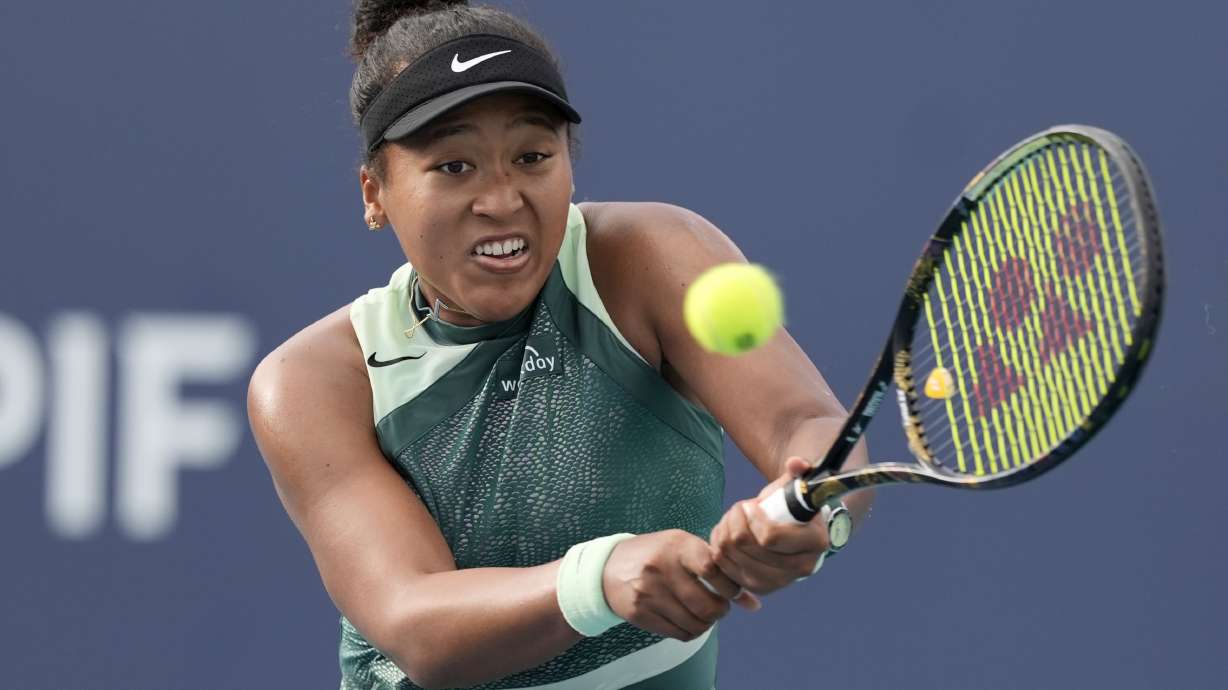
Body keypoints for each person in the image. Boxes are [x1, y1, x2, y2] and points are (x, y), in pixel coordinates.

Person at [247, 2, 872, 688]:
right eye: (454, 166)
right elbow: (415, 622)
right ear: (375, 193)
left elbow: (803, 422)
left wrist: (815, 503)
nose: (502, 198)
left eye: (532, 156)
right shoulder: (313, 382)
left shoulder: (649, 259)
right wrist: (599, 579)